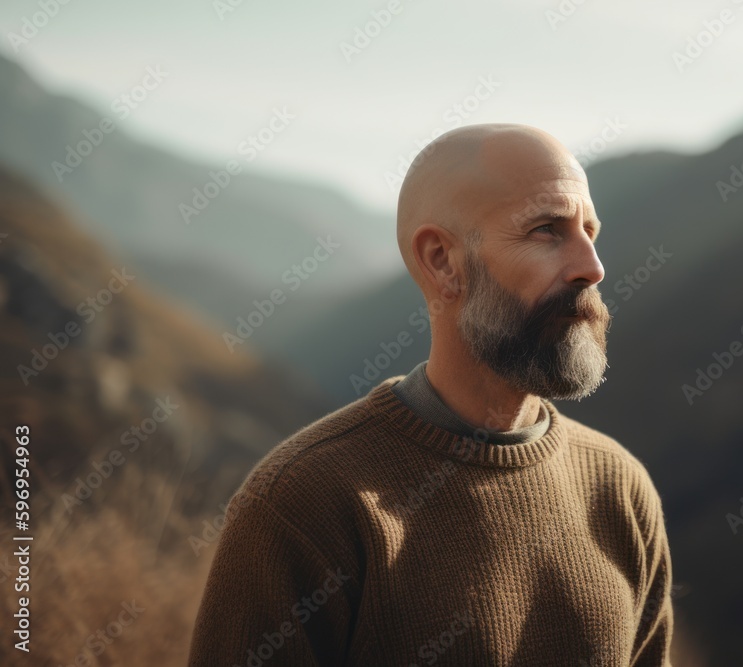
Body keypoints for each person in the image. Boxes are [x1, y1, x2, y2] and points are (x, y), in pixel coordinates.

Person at [188, 123, 674, 666]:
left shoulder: (622, 490)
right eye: (545, 230)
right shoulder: (305, 505)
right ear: (442, 261)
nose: (592, 266)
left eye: (590, 231)